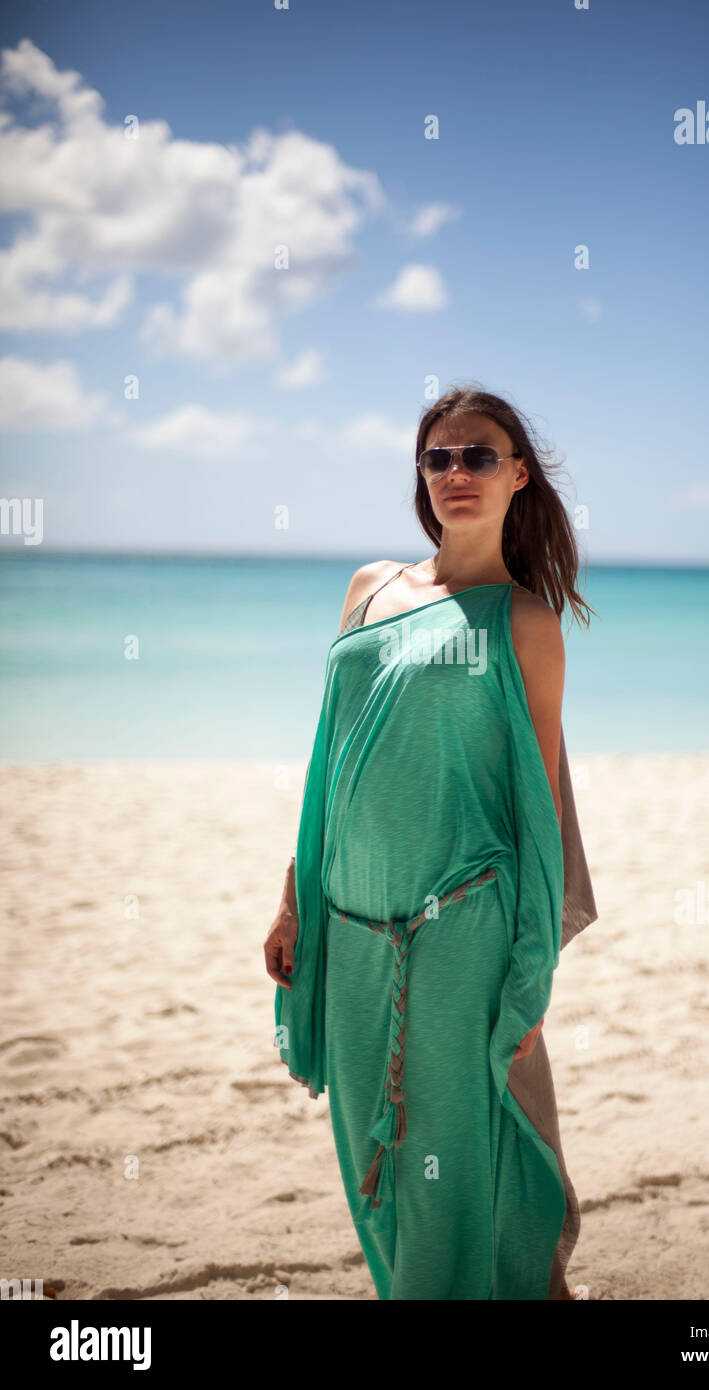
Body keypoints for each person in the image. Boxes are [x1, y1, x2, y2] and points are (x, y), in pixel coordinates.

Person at [265, 385, 598, 1300]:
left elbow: (539, 811)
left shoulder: (524, 621)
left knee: (448, 1172)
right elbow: (330, 754)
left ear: (518, 475)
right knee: (376, 1173)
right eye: (439, 457)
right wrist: (295, 896)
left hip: (460, 937)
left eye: (479, 456)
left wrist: (530, 970)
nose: (456, 472)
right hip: (352, 932)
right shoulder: (369, 588)